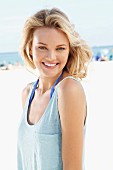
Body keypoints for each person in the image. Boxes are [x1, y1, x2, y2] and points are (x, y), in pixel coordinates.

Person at [17, 8, 92, 170]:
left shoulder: (68, 90)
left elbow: (73, 167)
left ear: (69, 50)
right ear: (30, 48)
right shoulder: (27, 93)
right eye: (42, 47)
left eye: (60, 48)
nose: (51, 57)